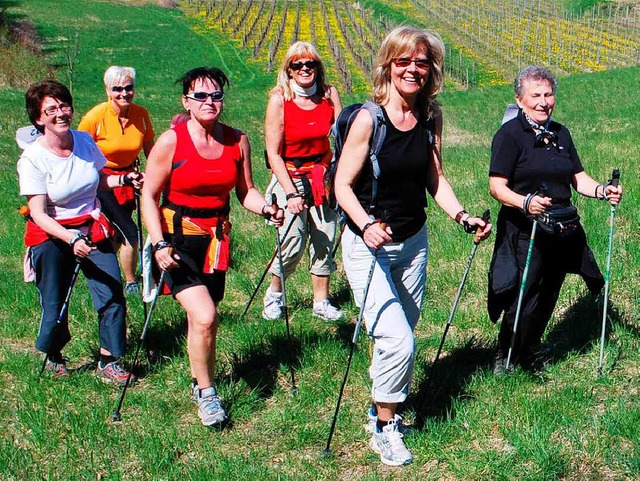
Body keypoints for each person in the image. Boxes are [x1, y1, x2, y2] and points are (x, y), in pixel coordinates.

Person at [334, 26, 491, 466]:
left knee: (398, 331)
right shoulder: (369, 119)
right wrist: (365, 224)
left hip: (413, 242)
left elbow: (433, 178)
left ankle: (376, 405)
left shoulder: (430, 115)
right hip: (369, 245)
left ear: (432, 69)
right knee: (399, 340)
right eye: (403, 61)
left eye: (421, 62)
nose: (413, 69)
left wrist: (462, 217)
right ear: (387, 65)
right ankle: (386, 426)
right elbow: (341, 185)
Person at [142, 67, 283, 428]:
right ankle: (207, 392)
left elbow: (245, 191)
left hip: (215, 242)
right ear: (186, 102)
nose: (210, 102)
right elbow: (149, 195)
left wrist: (266, 208)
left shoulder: (237, 141)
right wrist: (158, 243)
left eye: (216, 95)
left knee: (202, 321)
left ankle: (198, 378)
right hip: (175, 243)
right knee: (205, 316)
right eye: (201, 96)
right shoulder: (172, 141)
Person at [488, 65, 623, 373]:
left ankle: (530, 348)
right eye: (535, 95)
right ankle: (507, 355)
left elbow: (578, 178)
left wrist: (603, 191)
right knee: (523, 293)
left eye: (548, 94)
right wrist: (526, 202)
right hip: (526, 228)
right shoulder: (509, 136)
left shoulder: (560, 133)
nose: (543, 101)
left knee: (549, 291)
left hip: (562, 227)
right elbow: (496, 186)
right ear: (520, 99)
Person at [17, 80, 138, 385]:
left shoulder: (84, 142)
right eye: (51, 109)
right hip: (52, 234)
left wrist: (125, 179)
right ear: (38, 118)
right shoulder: (33, 158)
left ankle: (109, 359)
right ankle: (54, 354)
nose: (61, 113)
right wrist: (70, 239)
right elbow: (39, 214)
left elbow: (98, 182)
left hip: (91, 228)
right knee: (55, 301)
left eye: (64, 106)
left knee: (112, 292)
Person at [262, 41, 345, 322]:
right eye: (297, 65)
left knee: (324, 237)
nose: (304, 69)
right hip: (290, 176)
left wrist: (339, 176)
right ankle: (275, 294)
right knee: (292, 241)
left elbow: (341, 139)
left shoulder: (329, 95)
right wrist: (290, 193)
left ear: (318, 68)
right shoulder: (279, 100)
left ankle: (321, 302)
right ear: (289, 69)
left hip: (322, 175)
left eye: (310, 64)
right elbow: (273, 153)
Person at [78, 66, 155, 294]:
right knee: (130, 233)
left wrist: (149, 177)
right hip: (103, 181)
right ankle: (130, 282)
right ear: (107, 90)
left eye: (128, 88)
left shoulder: (141, 114)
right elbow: (80, 153)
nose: (124, 93)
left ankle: (106, 272)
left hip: (130, 179)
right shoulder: (95, 117)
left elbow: (152, 150)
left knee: (115, 233)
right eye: (117, 89)